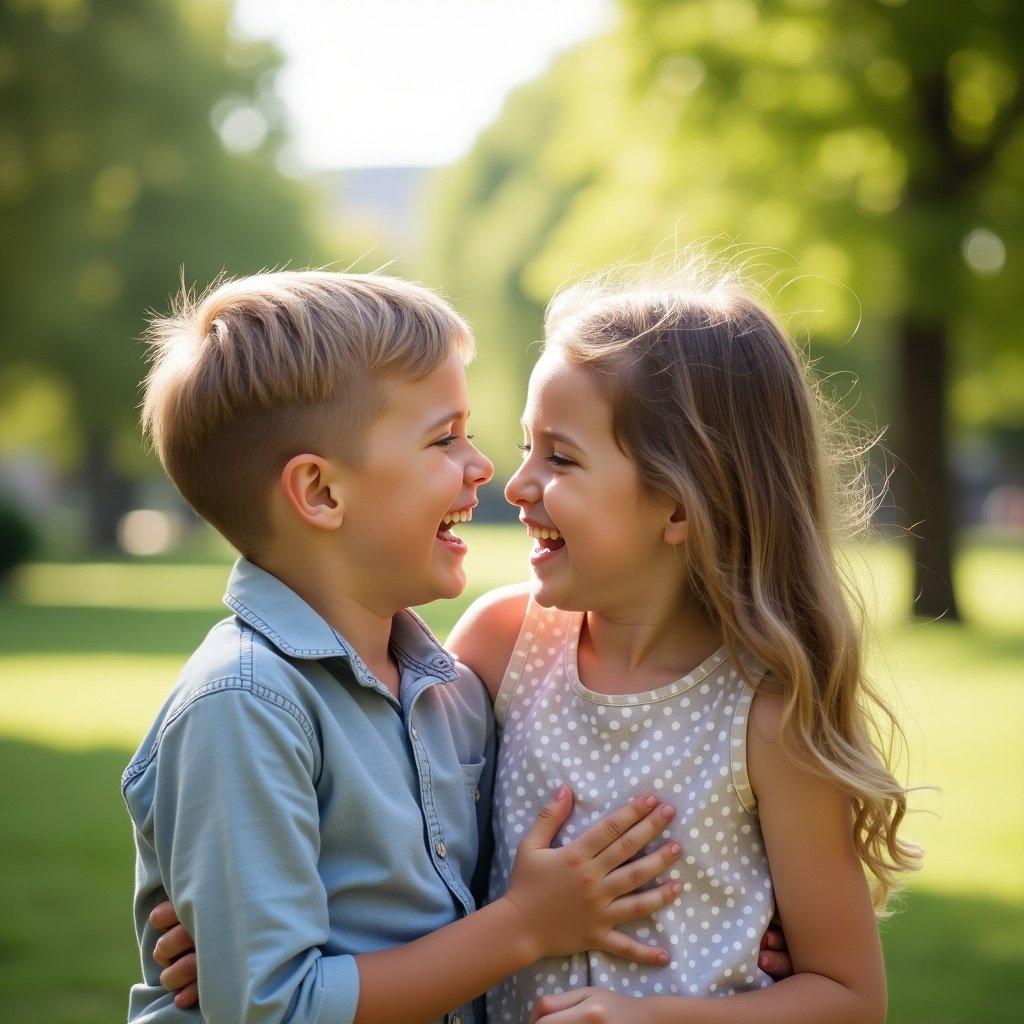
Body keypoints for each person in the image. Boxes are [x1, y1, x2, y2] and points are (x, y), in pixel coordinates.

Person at [122, 270, 688, 1024]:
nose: (484, 469)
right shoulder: (243, 706)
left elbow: (486, 891)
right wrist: (523, 927)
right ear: (321, 492)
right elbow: (276, 1010)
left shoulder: (452, 691)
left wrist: (742, 905)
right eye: (444, 438)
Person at [445, 265, 922, 1022]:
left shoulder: (766, 714)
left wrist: (647, 1018)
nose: (518, 484)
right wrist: (243, 926)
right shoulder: (499, 648)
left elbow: (848, 997)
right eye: (526, 446)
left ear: (677, 504)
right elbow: (383, 831)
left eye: (560, 457)